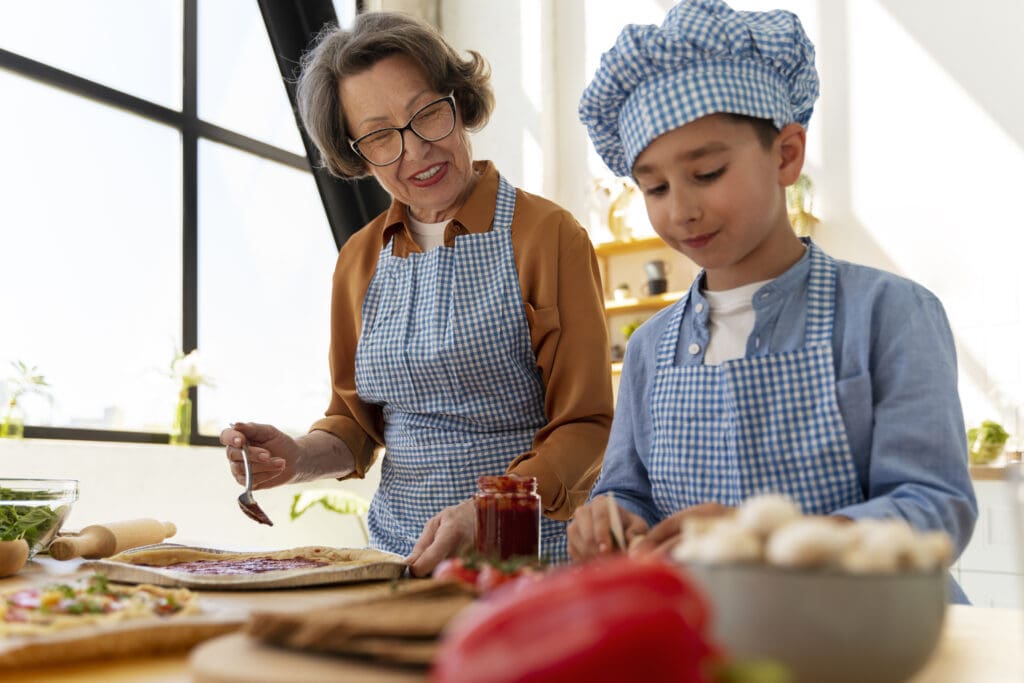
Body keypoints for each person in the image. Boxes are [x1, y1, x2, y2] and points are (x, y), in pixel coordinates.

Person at [567, 0, 977, 601]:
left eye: (706, 172)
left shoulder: (887, 313)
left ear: (787, 154)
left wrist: (772, 542)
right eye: (654, 187)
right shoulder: (653, 346)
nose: (680, 209)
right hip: (721, 643)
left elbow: (934, 506)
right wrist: (605, 516)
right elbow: (631, 494)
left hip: (881, 639)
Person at [220, 12, 612, 575]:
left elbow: (586, 426)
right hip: (399, 561)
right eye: (381, 136)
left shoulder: (548, 236)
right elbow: (357, 425)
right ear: (355, 151)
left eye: (427, 113)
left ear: (457, 102)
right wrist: (298, 457)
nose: (416, 150)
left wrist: (492, 510)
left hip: (531, 560)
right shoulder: (358, 260)